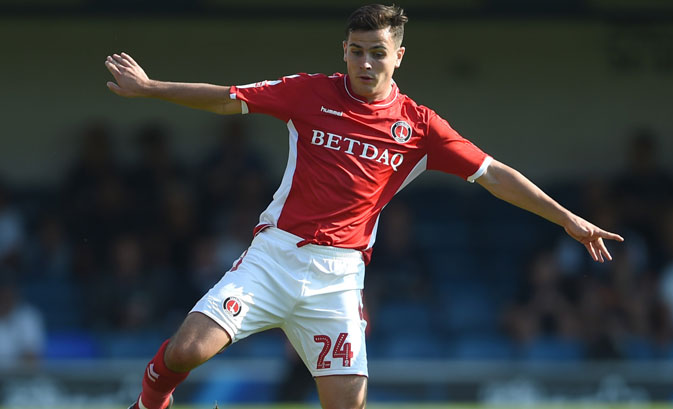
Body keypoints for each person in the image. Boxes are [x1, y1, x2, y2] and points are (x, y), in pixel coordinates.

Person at [104, 4, 624, 409]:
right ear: (344, 51)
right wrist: (151, 88)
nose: (365, 62)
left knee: (348, 402)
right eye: (356, 50)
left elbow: (495, 176)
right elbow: (227, 97)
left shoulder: (420, 127)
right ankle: (151, 401)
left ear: (399, 56)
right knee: (188, 351)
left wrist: (567, 218)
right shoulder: (309, 93)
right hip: (275, 257)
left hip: (338, 277)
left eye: (377, 51)